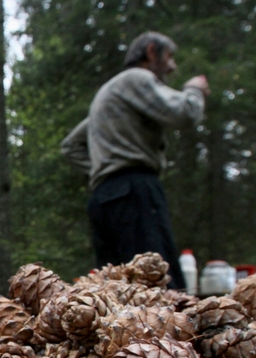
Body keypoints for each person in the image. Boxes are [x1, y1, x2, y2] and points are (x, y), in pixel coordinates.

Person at [61, 31, 210, 290]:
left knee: (115, 291)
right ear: (152, 51)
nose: (173, 66)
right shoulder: (136, 79)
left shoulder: (109, 96)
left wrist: (101, 167)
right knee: (158, 284)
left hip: (103, 199)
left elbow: (70, 146)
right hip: (135, 192)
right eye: (170, 57)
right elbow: (184, 113)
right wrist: (194, 90)